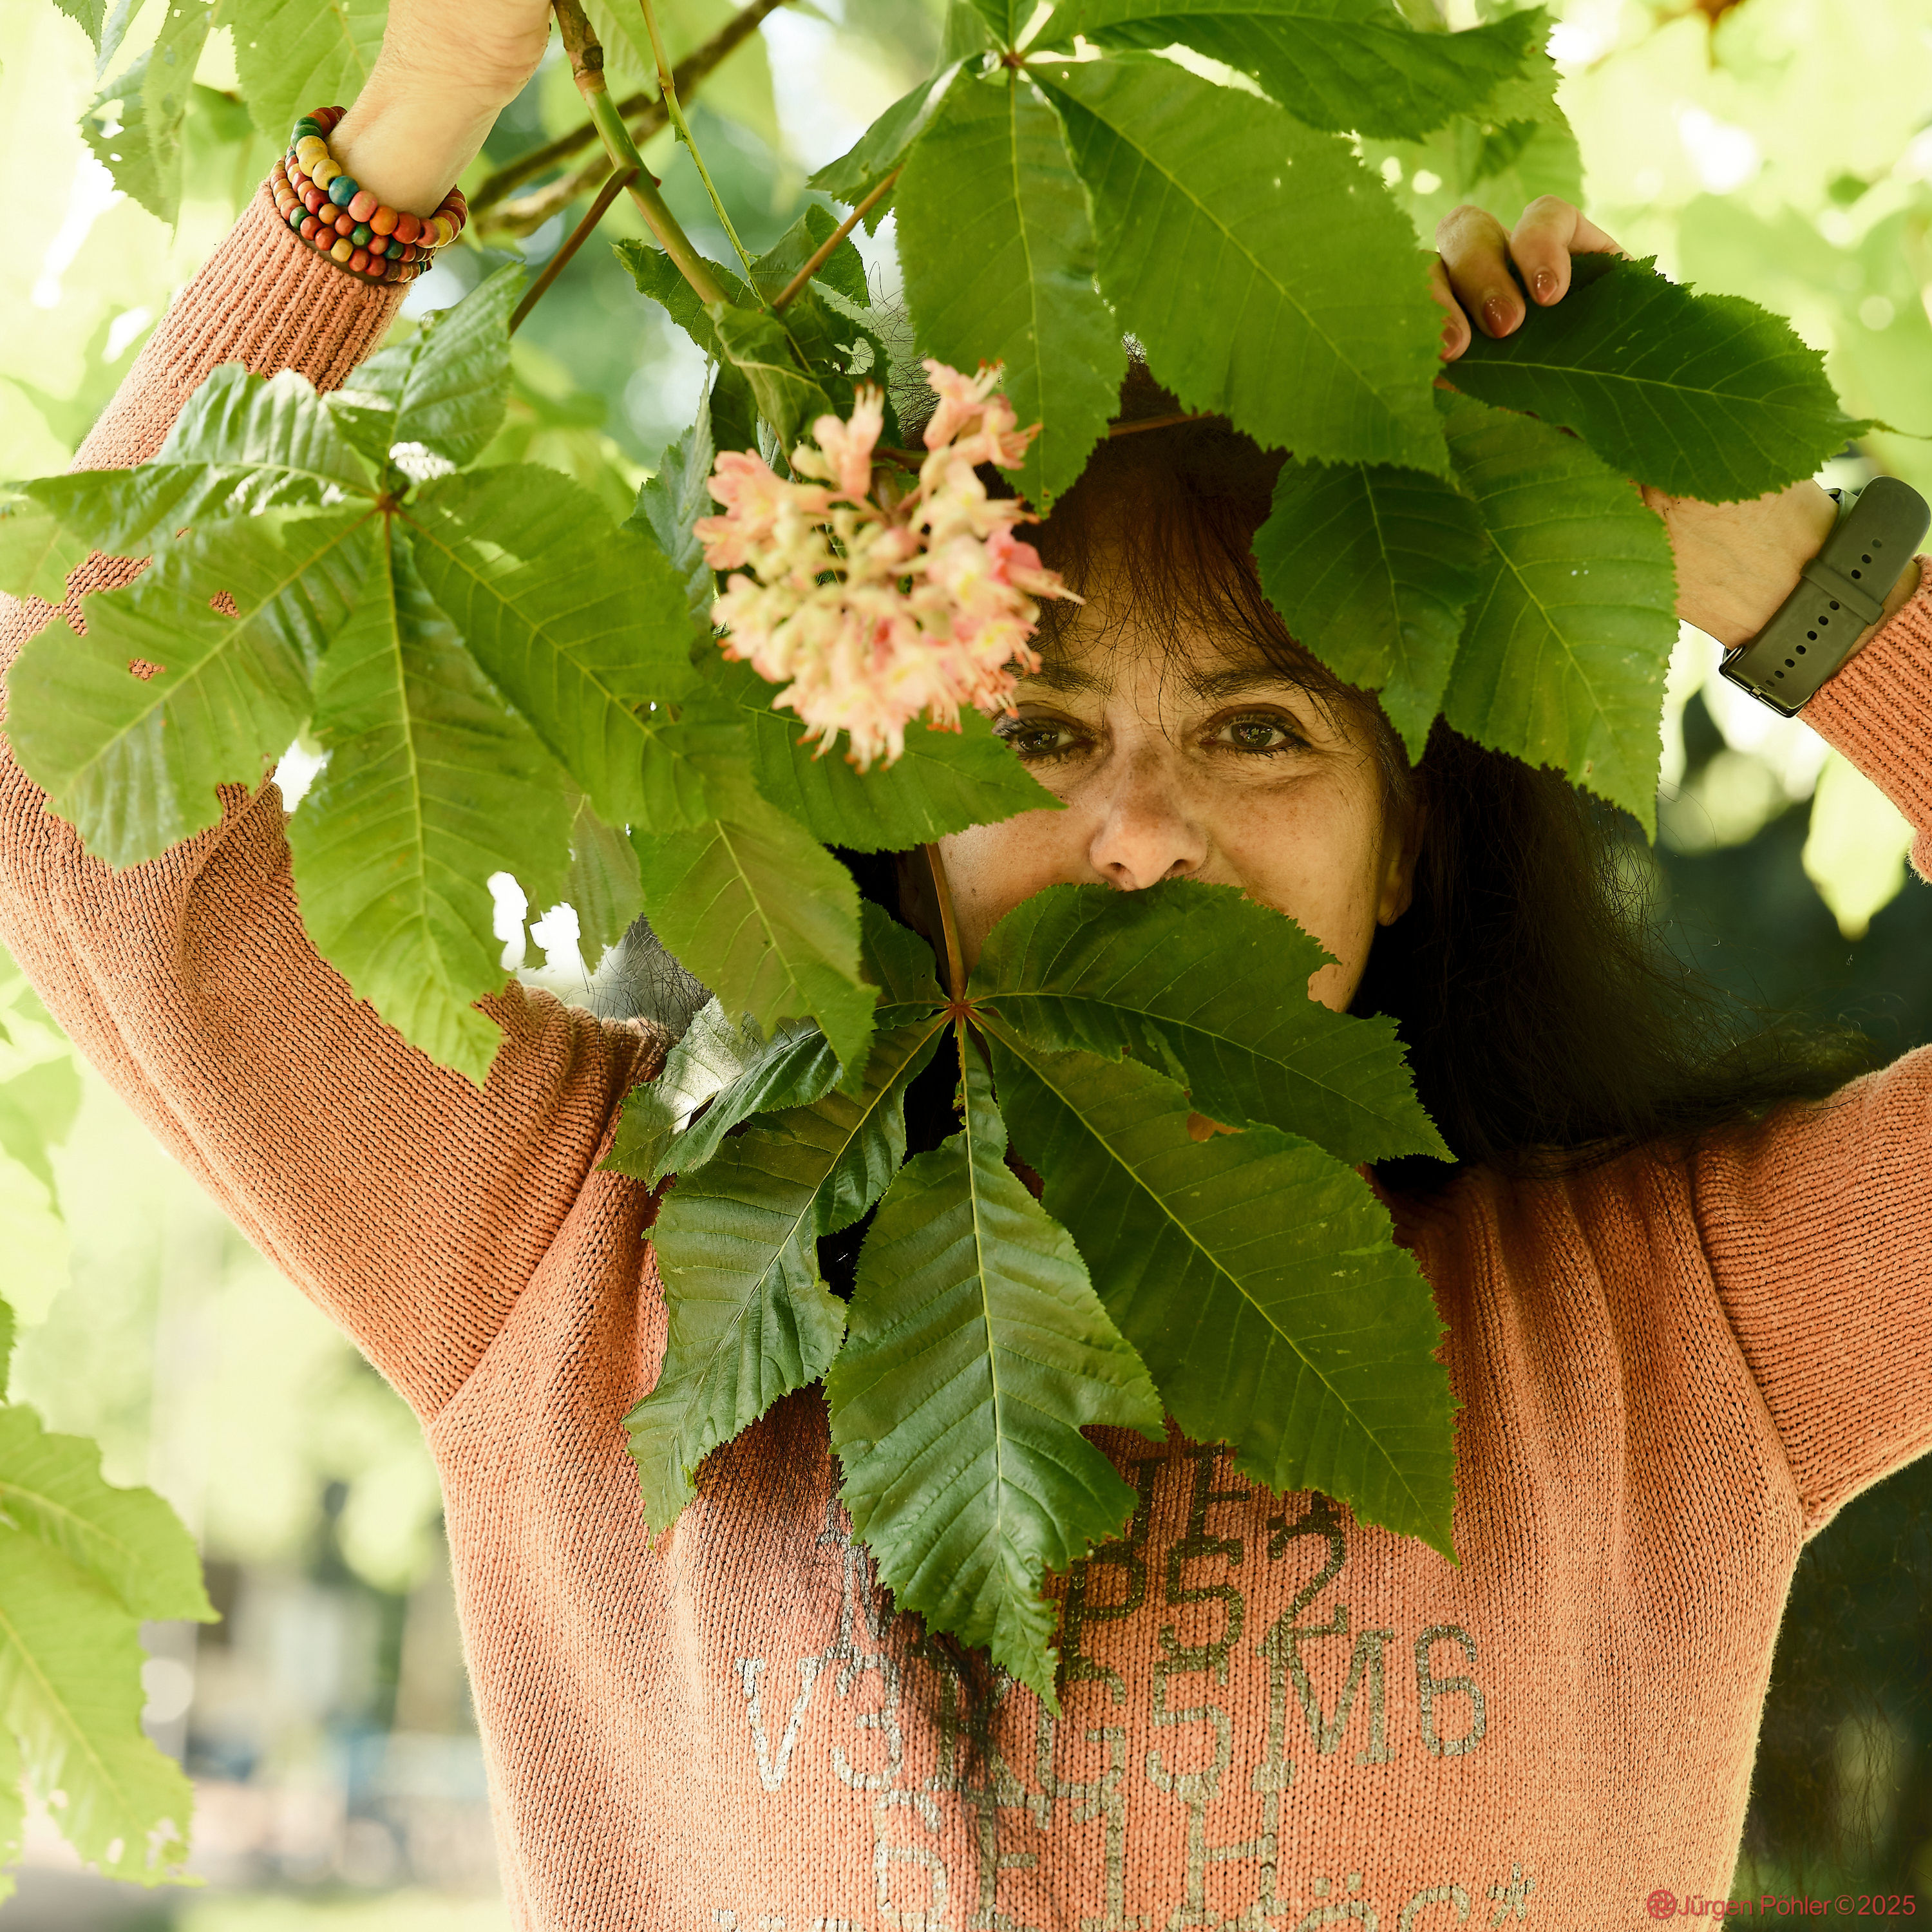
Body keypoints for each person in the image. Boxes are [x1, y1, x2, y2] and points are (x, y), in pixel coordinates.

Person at [3, 0, 1929, 1922]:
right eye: (1036, 735)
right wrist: (414, 124)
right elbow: (63, 781)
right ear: (878, 797)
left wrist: (1795, 575)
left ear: (1413, 839)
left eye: (1261, 732)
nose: (1146, 832)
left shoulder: (1665, 1331)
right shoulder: (590, 1268)